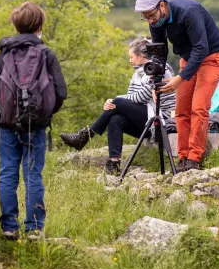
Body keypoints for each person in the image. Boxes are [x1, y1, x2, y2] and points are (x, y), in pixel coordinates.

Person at [0, 2, 67, 241]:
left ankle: (9, 226)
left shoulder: (4, 53)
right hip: (36, 125)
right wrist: (46, 113)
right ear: (40, 25)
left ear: (16, 26)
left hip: (7, 123)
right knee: (33, 175)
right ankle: (33, 228)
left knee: (7, 173)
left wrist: (1, 111)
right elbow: (61, 92)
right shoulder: (46, 53)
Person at [134, 0, 219, 171]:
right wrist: (157, 81)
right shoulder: (156, 22)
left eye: (151, 16)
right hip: (188, 59)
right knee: (181, 110)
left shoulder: (188, 12)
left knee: (198, 108)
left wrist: (180, 79)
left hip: (212, 57)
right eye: (145, 18)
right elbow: (160, 54)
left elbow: (201, 48)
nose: (150, 21)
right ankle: (183, 158)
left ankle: (195, 159)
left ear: (161, 5)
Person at [60, 37, 176, 175]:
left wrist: (116, 100)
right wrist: (115, 102)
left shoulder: (160, 69)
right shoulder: (137, 73)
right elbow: (131, 96)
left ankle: (85, 136)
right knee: (116, 118)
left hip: (161, 120)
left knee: (118, 103)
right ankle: (113, 163)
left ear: (142, 55)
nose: (130, 60)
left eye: (131, 56)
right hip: (146, 119)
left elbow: (142, 97)